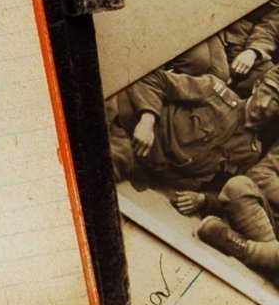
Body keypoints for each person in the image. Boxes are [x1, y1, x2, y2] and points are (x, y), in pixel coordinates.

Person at [109, 65, 279, 278]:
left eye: (276, 102)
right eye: (267, 91)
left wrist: (203, 200)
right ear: (256, 86)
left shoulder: (250, 151)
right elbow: (152, 79)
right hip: (132, 141)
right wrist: (147, 120)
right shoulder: (214, 91)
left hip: (157, 181)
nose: (264, 104)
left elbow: (223, 194)